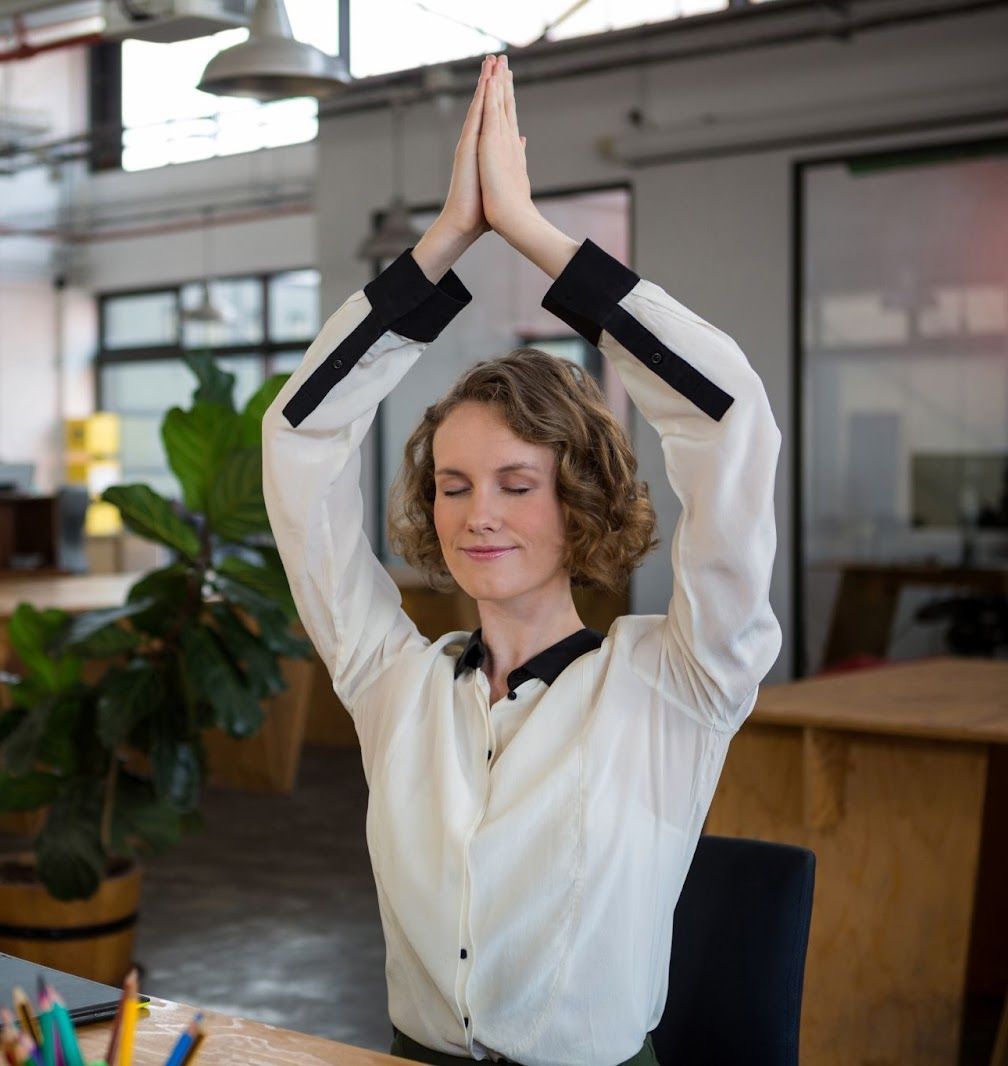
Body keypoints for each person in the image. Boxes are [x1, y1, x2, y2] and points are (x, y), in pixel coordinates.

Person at [262, 54, 781, 1066]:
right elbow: (298, 440)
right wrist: (440, 245)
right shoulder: (392, 683)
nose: (475, 514)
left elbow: (730, 415)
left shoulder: (679, 683)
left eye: (515, 481)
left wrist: (534, 238)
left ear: (578, 497)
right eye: (452, 484)